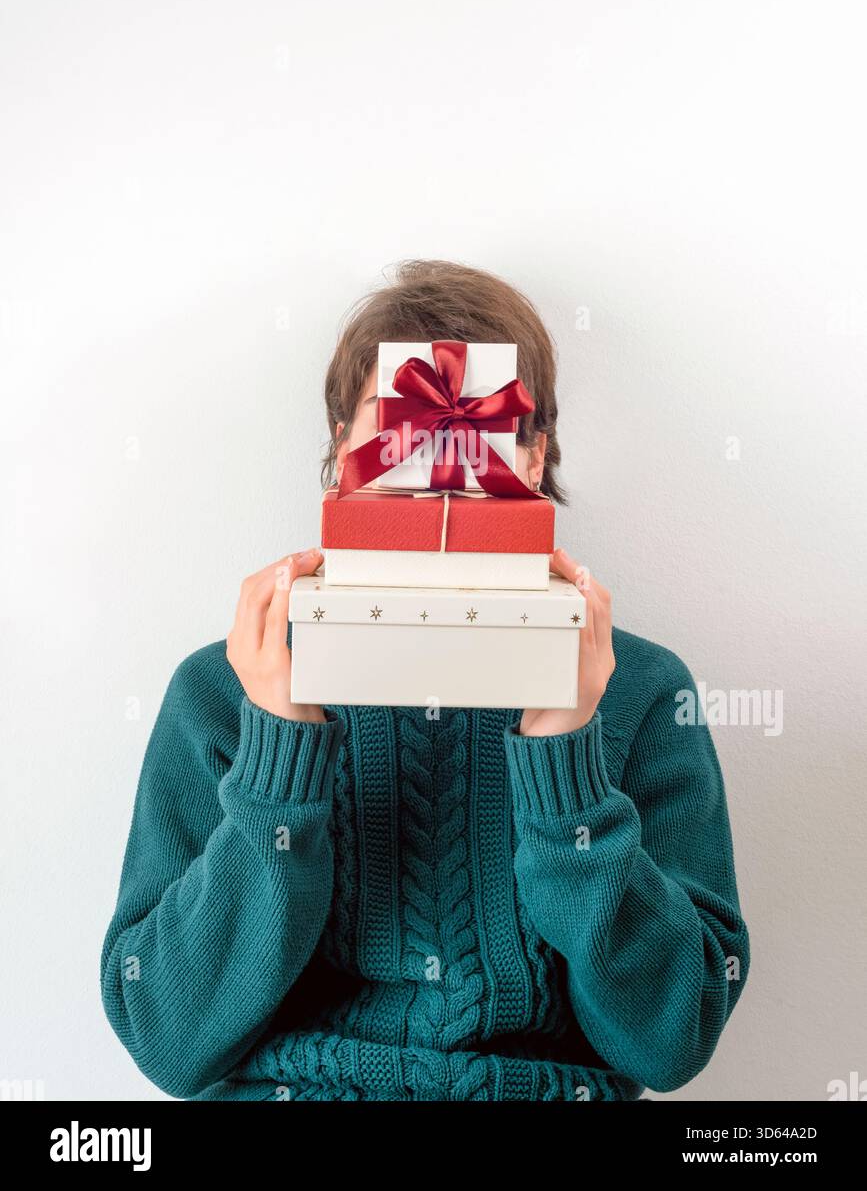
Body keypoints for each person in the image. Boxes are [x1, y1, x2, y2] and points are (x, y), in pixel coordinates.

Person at [99, 258, 751, 1101]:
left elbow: (671, 1043)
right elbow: (168, 1041)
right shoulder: (226, 687)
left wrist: (566, 774)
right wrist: (277, 754)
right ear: (342, 449)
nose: (440, 473)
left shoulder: (641, 689)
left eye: (475, 433)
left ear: (535, 451)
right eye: (400, 434)